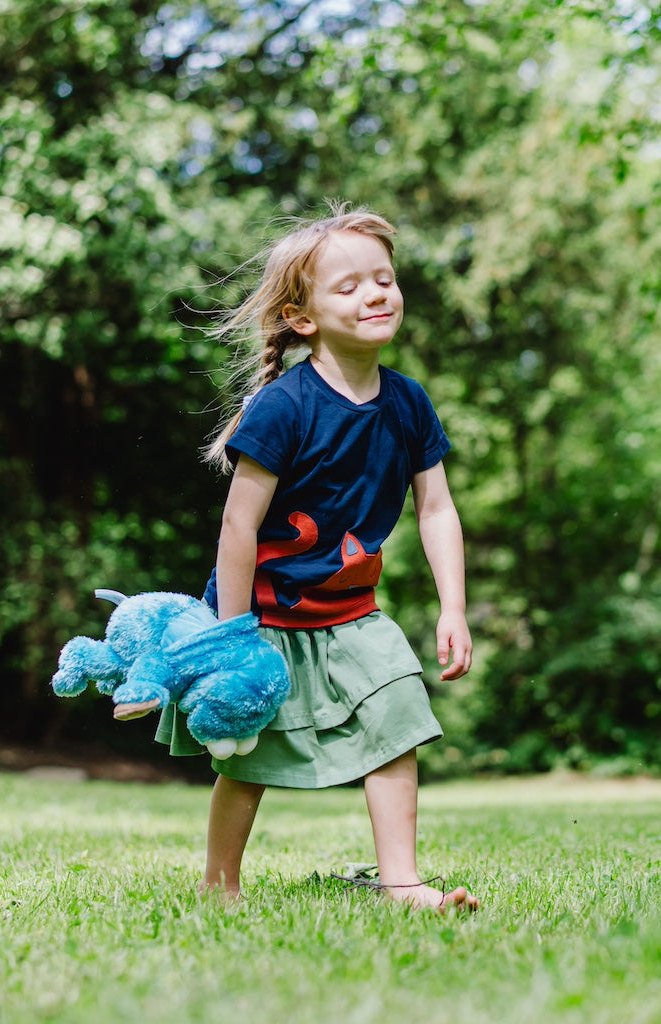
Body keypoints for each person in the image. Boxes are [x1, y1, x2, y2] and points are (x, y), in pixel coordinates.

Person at [155, 203, 478, 913]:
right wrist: (233, 637)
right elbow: (238, 527)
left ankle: (402, 884)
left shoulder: (409, 403)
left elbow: (436, 508)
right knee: (248, 756)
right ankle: (219, 885)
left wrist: (453, 606)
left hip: (353, 613)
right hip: (264, 615)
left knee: (399, 717)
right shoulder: (284, 406)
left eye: (384, 279)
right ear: (301, 318)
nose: (376, 294)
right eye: (350, 285)